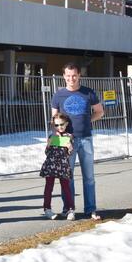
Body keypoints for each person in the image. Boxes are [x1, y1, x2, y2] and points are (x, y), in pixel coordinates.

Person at [51, 62, 104, 221]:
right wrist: (58, 139)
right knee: (67, 177)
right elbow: (54, 120)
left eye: (74, 75)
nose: (71, 78)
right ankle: (69, 209)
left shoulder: (88, 92)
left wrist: (88, 121)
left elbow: (99, 112)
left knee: (89, 177)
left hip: (86, 139)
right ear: (64, 76)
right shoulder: (58, 95)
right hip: (67, 141)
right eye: (68, 76)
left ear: (79, 75)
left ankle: (91, 209)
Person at [41, 113, 75, 221]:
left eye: (61, 124)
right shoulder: (52, 136)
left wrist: (69, 147)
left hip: (63, 165)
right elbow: (47, 152)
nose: (59, 127)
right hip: (51, 165)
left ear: (66, 124)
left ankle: (70, 209)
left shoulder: (69, 136)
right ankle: (47, 209)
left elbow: (69, 153)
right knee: (48, 187)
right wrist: (49, 145)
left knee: (66, 187)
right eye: (56, 125)